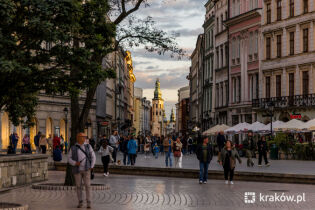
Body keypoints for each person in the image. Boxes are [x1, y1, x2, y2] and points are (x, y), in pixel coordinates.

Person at [68, 133, 96, 209]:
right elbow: (69, 158)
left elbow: (93, 156)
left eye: (84, 137)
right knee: (78, 186)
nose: (83, 138)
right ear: (77, 138)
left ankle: (89, 202)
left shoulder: (88, 146)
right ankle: (80, 201)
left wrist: (92, 166)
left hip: (87, 169)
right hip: (77, 170)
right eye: (81, 137)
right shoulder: (73, 147)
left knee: (88, 185)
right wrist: (74, 163)